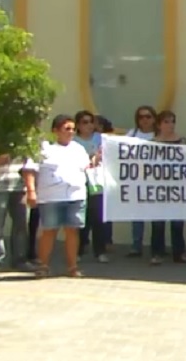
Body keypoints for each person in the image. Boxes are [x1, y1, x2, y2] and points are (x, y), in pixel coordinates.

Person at [23, 115, 101, 278]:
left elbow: (87, 167)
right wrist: (31, 191)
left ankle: (72, 267)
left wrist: (97, 159)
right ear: (55, 131)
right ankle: (43, 266)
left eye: (73, 129)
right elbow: (29, 170)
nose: (71, 132)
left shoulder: (78, 148)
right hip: (51, 197)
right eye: (67, 129)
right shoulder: (44, 148)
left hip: (75, 196)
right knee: (49, 231)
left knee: (72, 231)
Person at [148, 111, 186, 265]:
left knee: (177, 222)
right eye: (166, 122)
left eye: (172, 121)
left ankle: (179, 252)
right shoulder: (152, 143)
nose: (170, 125)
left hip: (177, 187)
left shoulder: (182, 142)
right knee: (158, 222)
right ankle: (157, 252)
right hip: (158, 187)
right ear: (159, 124)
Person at [0, 150, 31, 275]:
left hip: (20, 187)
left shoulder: (23, 141)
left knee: (21, 225)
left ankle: (20, 261)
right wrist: (5, 157)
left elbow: (30, 163)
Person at [71, 111, 112, 263]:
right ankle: (79, 250)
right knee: (82, 219)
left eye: (90, 122)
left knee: (98, 218)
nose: (88, 125)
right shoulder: (73, 142)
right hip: (80, 183)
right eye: (84, 122)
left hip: (97, 183)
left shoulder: (101, 138)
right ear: (78, 125)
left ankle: (99, 251)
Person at [125, 105, 158, 258]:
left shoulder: (159, 134)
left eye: (148, 116)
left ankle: (156, 247)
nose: (144, 120)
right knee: (137, 216)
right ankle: (136, 246)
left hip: (156, 181)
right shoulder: (132, 134)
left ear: (154, 118)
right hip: (136, 180)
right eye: (141, 117)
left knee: (156, 216)